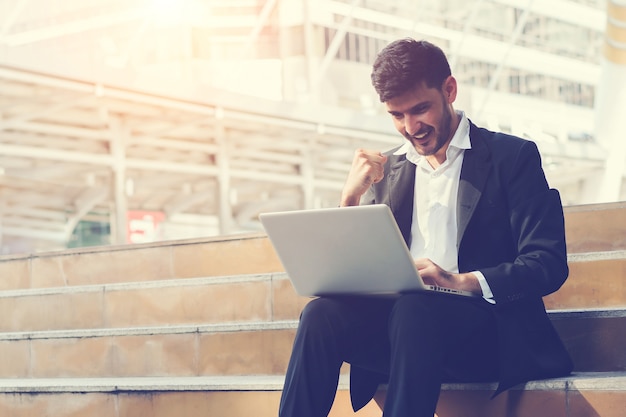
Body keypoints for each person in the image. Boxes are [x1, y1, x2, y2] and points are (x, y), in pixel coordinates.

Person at [278, 38, 573, 417]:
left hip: (485, 335)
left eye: (420, 110)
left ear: (449, 90)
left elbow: (547, 263)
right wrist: (349, 200)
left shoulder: (512, 157)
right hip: (403, 335)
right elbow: (357, 273)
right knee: (320, 315)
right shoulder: (386, 172)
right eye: (396, 115)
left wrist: (457, 280)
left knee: (415, 309)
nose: (410, 127)